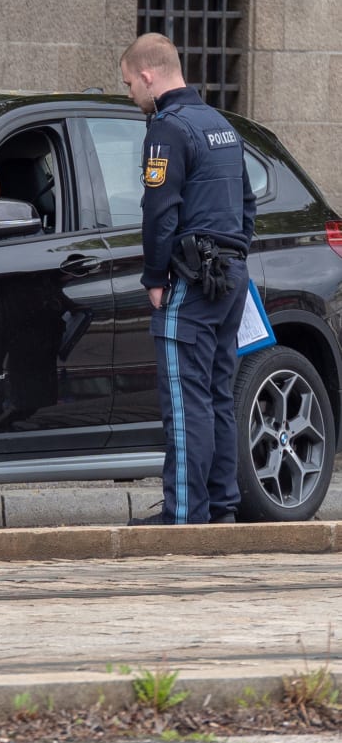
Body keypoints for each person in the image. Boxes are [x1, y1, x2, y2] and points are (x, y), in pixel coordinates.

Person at [120, 32, 255, 525]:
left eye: (130, 83)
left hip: (191, 282)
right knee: (219, 395)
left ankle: (183, 513)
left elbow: (160, 210)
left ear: (149, 76)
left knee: (184, 399)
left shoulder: (167, 128)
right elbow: (247, 203)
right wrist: (235, 255)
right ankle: (221, 506)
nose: (131, 93)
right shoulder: (220, 124)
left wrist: (155, 276)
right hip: (230, 278)